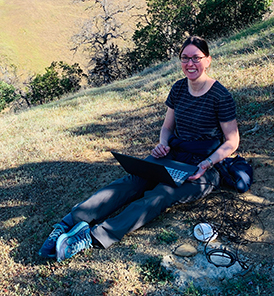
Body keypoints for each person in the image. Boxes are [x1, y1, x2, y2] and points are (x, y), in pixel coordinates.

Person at [39, 36, 240, 262]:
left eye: (196, 58)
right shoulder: (179, 88)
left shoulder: (220, 95)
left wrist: (206, 164)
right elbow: (167, 128)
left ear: (208, 60)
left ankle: (92, 237)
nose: (190, 64)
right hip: (172, 155)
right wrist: (163, 145)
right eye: (185, 58)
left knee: (161, 194)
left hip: (204, 166)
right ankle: (68, 222)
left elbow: (232, 142)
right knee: (131, 182)